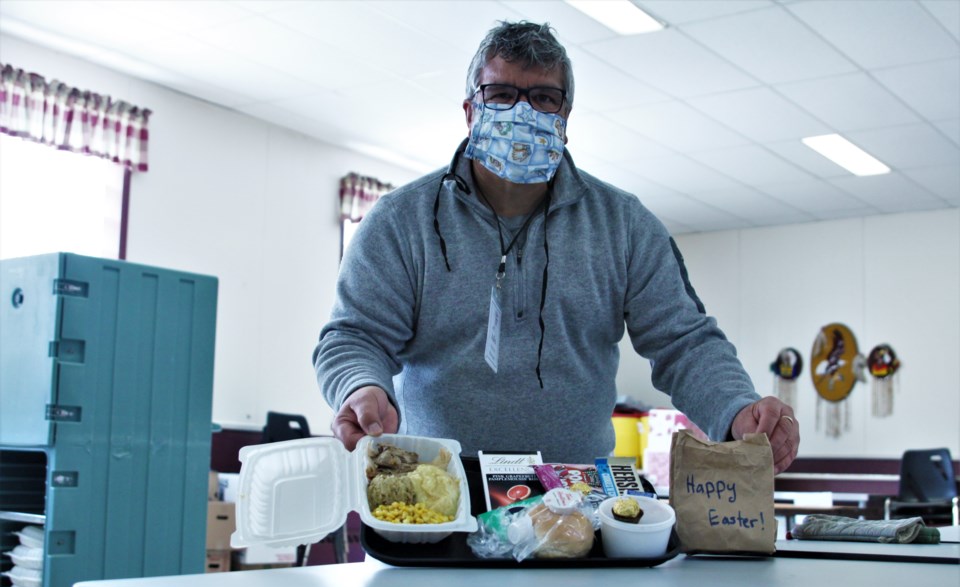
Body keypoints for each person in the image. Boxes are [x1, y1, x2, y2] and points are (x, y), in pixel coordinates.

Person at [313, 20, 799, 473]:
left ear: (565, 116)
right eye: (501, 94)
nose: (523, 112)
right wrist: (362, 386)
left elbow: (685, 342)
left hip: (574, 498)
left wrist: (738, 409)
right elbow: (354, 337)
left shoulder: (624, 226)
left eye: (544, 98)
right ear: (470, 111)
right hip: (436, 491)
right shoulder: (402, 221)